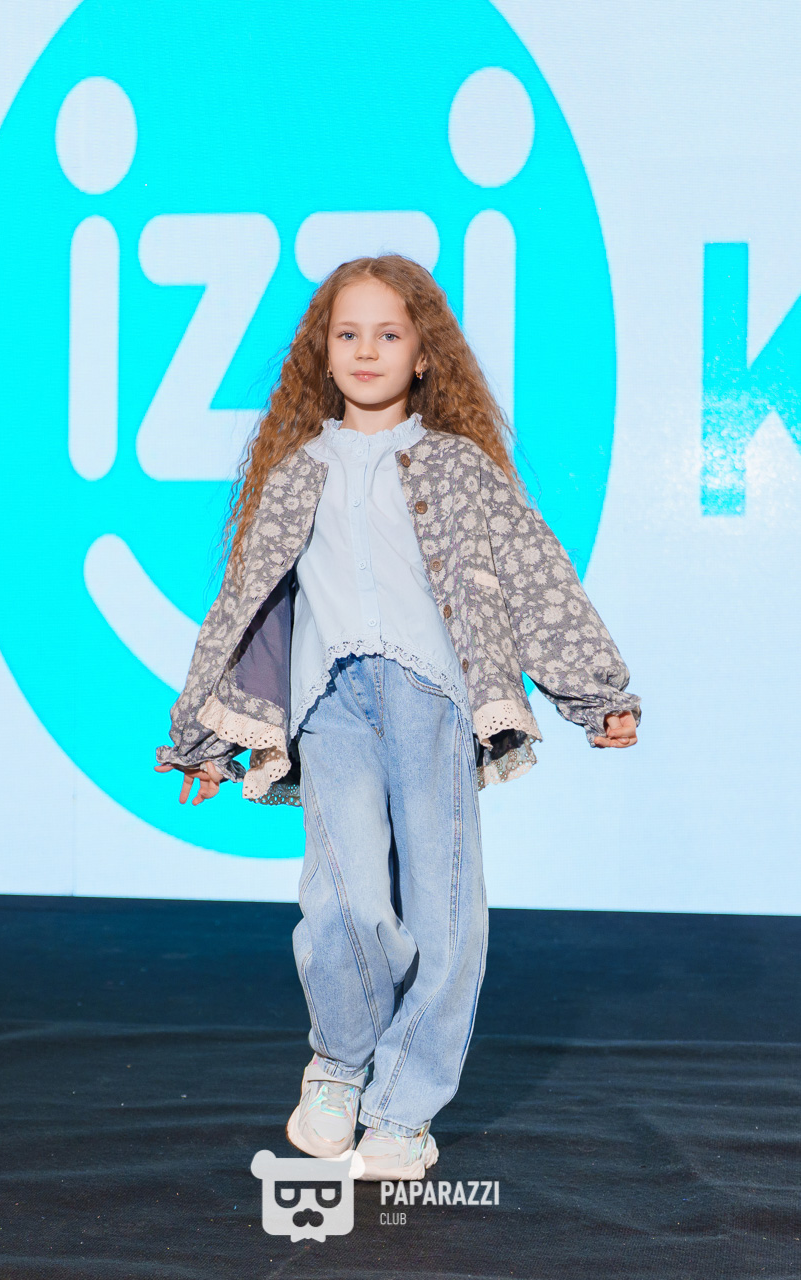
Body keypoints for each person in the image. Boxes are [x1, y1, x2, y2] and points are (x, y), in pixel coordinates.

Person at [154, 254, 640, 1182]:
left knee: (444, 911)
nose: (366, 349)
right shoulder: (295, 473)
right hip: (330, 703)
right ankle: (339, 1063)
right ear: (322, 351)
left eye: (388, 333)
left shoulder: (459, 467)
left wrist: (595, 693)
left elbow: (535, 575)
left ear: (423, 355)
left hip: (432, 701)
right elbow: (241, 607)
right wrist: (203, 738)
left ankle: (403, 1110)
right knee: (342, 899)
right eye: (348, 333)